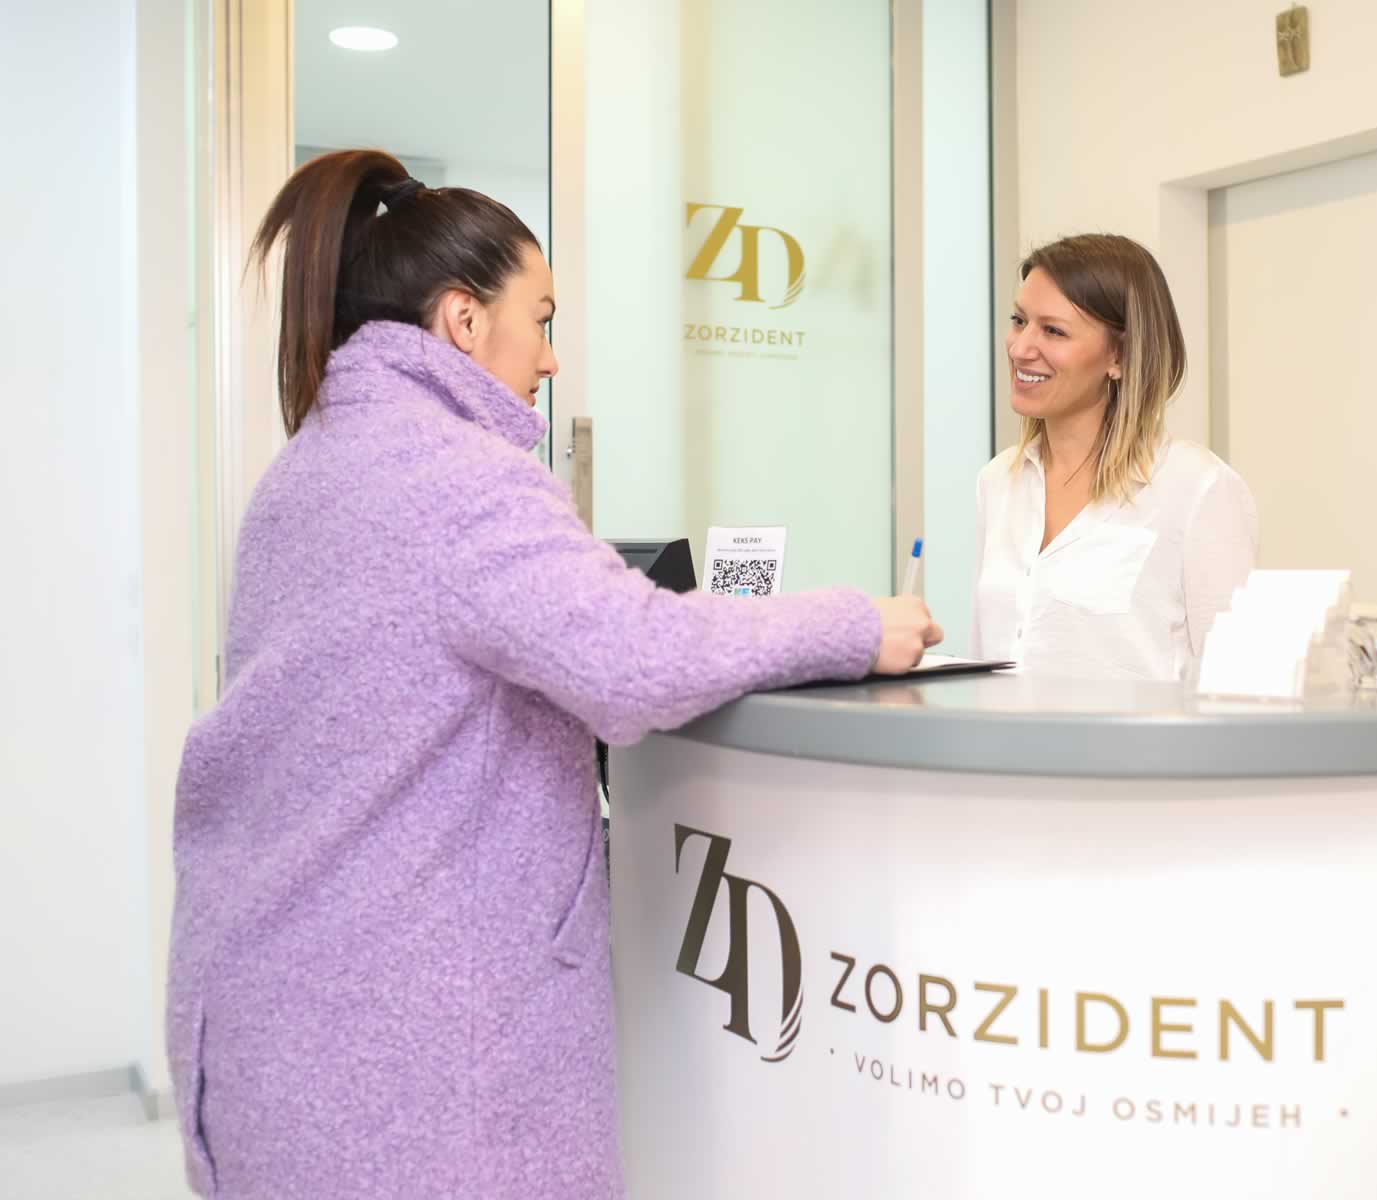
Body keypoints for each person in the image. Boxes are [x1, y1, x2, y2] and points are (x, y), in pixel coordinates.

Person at [167, 149, 939, 1198]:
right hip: (413, 1053)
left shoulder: (307, 470)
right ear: (462, 319)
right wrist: (853, 624)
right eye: (540, 319)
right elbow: (635, 659)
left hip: (279, 1013)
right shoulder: (460, 478)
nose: (551, 357)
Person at [971, 233, 1256, 680]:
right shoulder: (997, 481)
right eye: (1019, 320)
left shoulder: (1197, 488)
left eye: (1053, 331)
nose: (1020, 348)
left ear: (1119, 356)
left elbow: (1238, 681)